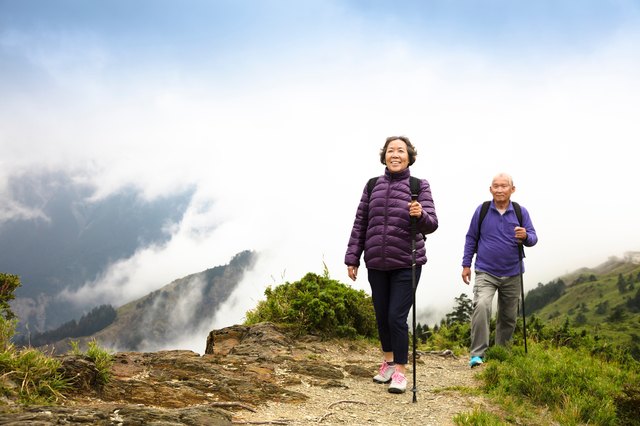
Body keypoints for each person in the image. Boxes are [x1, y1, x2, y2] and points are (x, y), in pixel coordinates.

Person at [345, 135, 438, 394]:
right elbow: (360, 223)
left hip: (407, 261)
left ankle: (400, 371)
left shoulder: (419, 185)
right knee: (382, 316)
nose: (395, 154)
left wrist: (421, 215)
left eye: (400, 150)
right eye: (390, 150)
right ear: (384, 155)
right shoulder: (372, 185)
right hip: (376, 262)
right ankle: (387, 361)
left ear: (409, 156)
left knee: (397, 317)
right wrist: (352, 257)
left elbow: (432, 224)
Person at [461, 172, 538, 368]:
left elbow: (533, 238)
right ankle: (477, 355)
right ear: (490, 189)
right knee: (481, 306)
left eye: (504, 186)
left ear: (512, 189)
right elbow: (471, 238)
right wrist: (466, 264)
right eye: (496, 186)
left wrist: (525, 236)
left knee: (508, 317)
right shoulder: (483, 210)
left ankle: (501, 354)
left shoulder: (521, 212)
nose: (500, 189)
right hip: (486, 271)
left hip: (513, 272)